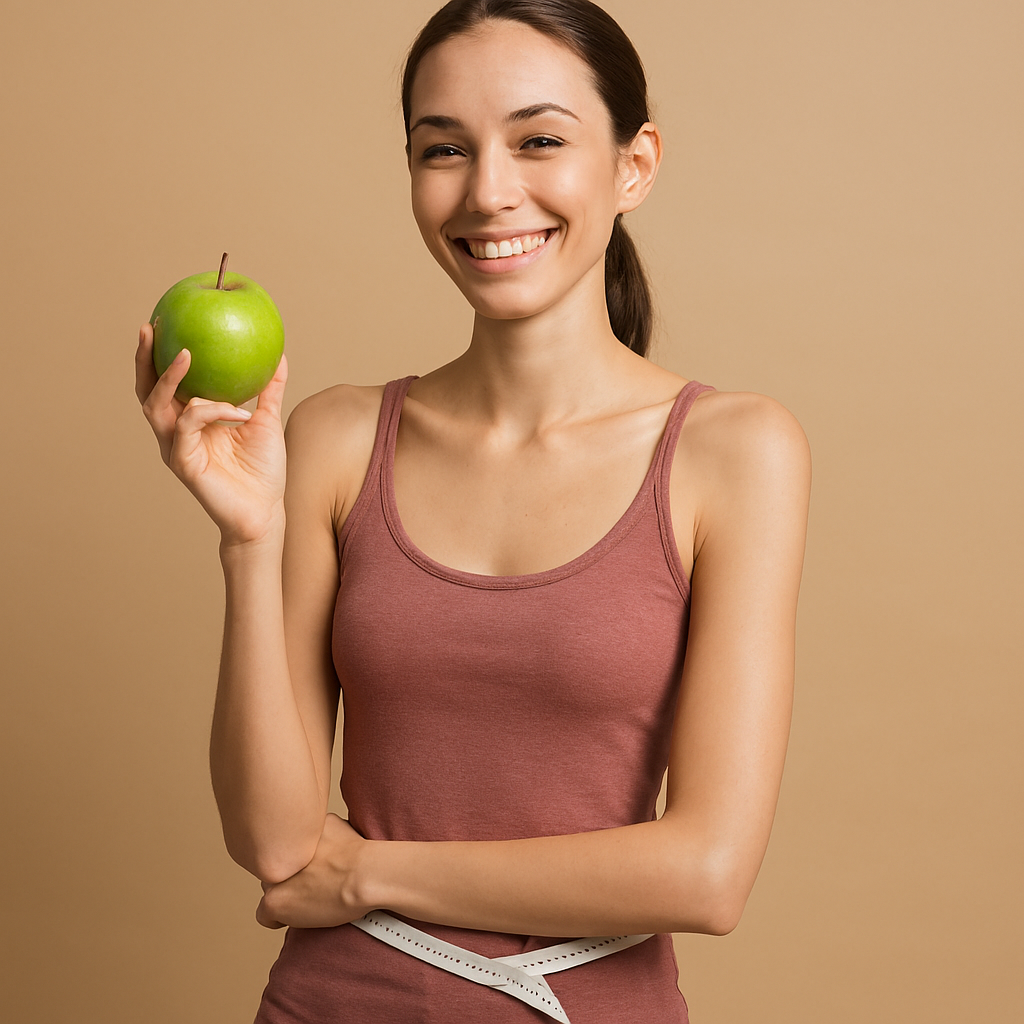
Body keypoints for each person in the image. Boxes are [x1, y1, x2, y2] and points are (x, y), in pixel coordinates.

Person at [135, 1, 811, 1020]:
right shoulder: (334, 437)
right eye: (442, 149)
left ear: (634, 165)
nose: (489, 192)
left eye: (539, 140)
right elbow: (275, 844)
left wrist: (369, 874)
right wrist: (248, 538)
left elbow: (706, 873)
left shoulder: (735, 451)